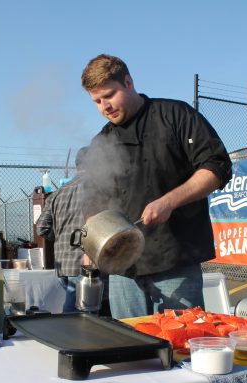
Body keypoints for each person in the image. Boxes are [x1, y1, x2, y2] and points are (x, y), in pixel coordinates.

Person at [80, 54, 233, 319]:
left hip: (175, 260)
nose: (105, 106)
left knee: (182, 343)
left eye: (109, 95)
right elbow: (94, 202)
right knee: (131, 344)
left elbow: (216, 167)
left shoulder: (175, 115)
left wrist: (169, 201)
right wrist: (90, 246)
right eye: (97, 101)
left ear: (128, 82)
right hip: (123, 268)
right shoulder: (101, 142)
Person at [36, 147, 88, 312]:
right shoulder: (95, 188)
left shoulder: (57, 194)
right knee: (80, 313)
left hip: (62, 263)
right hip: (84, 262)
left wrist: (58, 237)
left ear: (76, 166)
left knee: (72, 305)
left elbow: (41, 228)